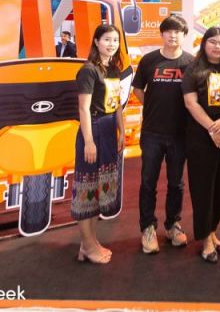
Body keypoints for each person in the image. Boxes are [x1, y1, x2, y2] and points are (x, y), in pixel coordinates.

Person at [132, 14, 193, 253]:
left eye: (178, 32)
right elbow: (138, 88)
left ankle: (172, 225)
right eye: (169, 31)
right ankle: (147, 227)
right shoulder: (149, 60)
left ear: (184, 35)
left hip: (180, 133)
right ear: (162, 34)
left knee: (176, 183)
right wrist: (151, 105)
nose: (173, 35)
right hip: (152, 133)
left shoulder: (191, 62)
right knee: (148, 182)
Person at [182, 27, 220, 263]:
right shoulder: (193, 69)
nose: (217, 46)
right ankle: (205, 238)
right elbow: (190, 103)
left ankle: (213, 230)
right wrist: (212, 128)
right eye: (213, 42)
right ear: (204, 44)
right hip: (200, 134)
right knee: (202, 186)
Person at [72, 23, 126, 264]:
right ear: (96, 41)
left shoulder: (113, 69)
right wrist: (88, 142)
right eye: (107, 39)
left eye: (115, 40)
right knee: (87, 189)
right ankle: (88, 245)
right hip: (92, 130)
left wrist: (121, 131)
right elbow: (83, 108)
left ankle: (90, 243)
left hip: (109, 129)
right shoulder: (88, 70)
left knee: (97, 189)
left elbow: (117, 104)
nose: (111, 44)